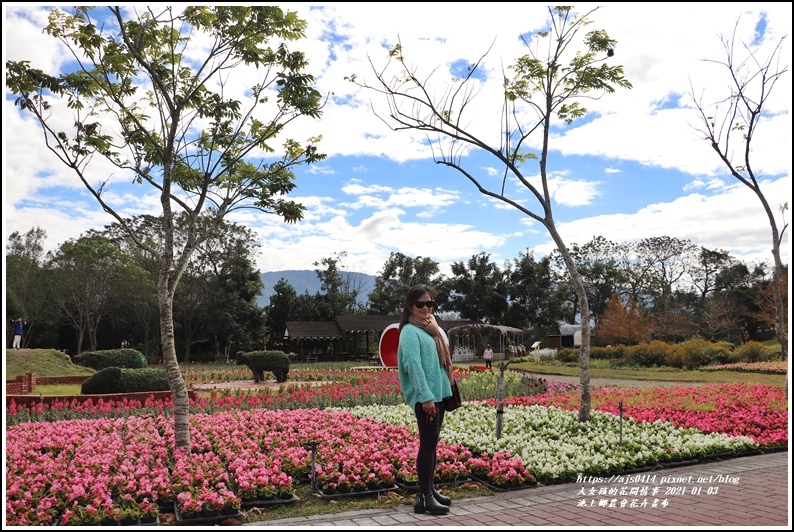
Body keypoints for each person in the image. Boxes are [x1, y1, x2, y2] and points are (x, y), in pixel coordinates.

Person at [397, 285, 453, 516]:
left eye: (430, 304)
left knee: (432, 445)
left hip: (436, 394)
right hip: (427, 398)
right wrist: (425, 397)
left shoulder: (431, 329)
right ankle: (424, 497)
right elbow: (414, 366)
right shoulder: (410, 331)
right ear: (410, 306)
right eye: (421, 304)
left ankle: (428, 491)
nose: (426, 308)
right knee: (428, 446)